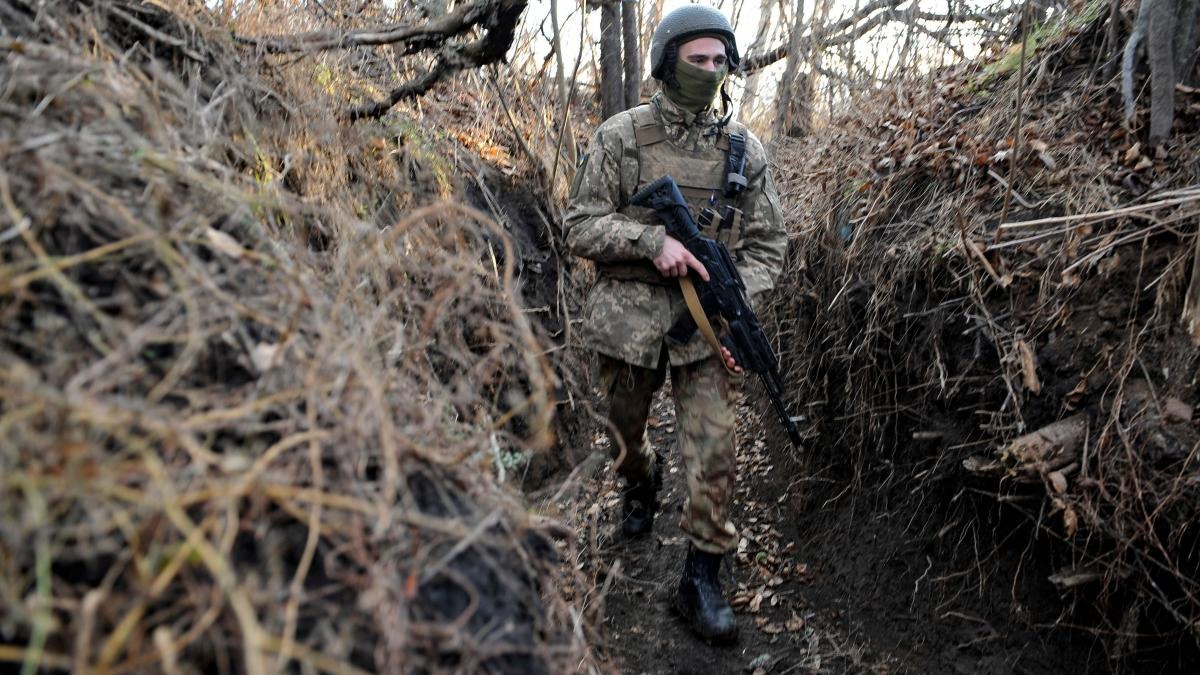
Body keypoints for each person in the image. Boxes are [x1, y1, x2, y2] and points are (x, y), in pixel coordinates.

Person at [563, 4, 787, 644]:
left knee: (715, 445)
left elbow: (771, 244)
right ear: (667, 63)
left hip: (707, 324)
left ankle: (701, 576)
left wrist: (735, 297)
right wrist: (650, 241)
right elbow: (579, 224)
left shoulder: (746, 151)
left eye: (720, 62)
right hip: (628, 319)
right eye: (698, 60)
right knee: (624, 435)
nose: (711, 71)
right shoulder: (622, 136)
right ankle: (640, 482)